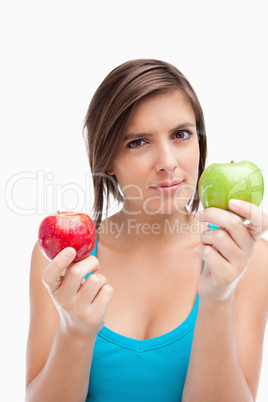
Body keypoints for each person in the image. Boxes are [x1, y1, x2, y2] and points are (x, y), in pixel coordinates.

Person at [25, 59, 268, 401]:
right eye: (138, 142)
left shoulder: (247, 257)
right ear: (107, 158)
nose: (168, 162)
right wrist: (75, 332)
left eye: (181, 135)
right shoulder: (64, 261)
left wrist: (218, 297)